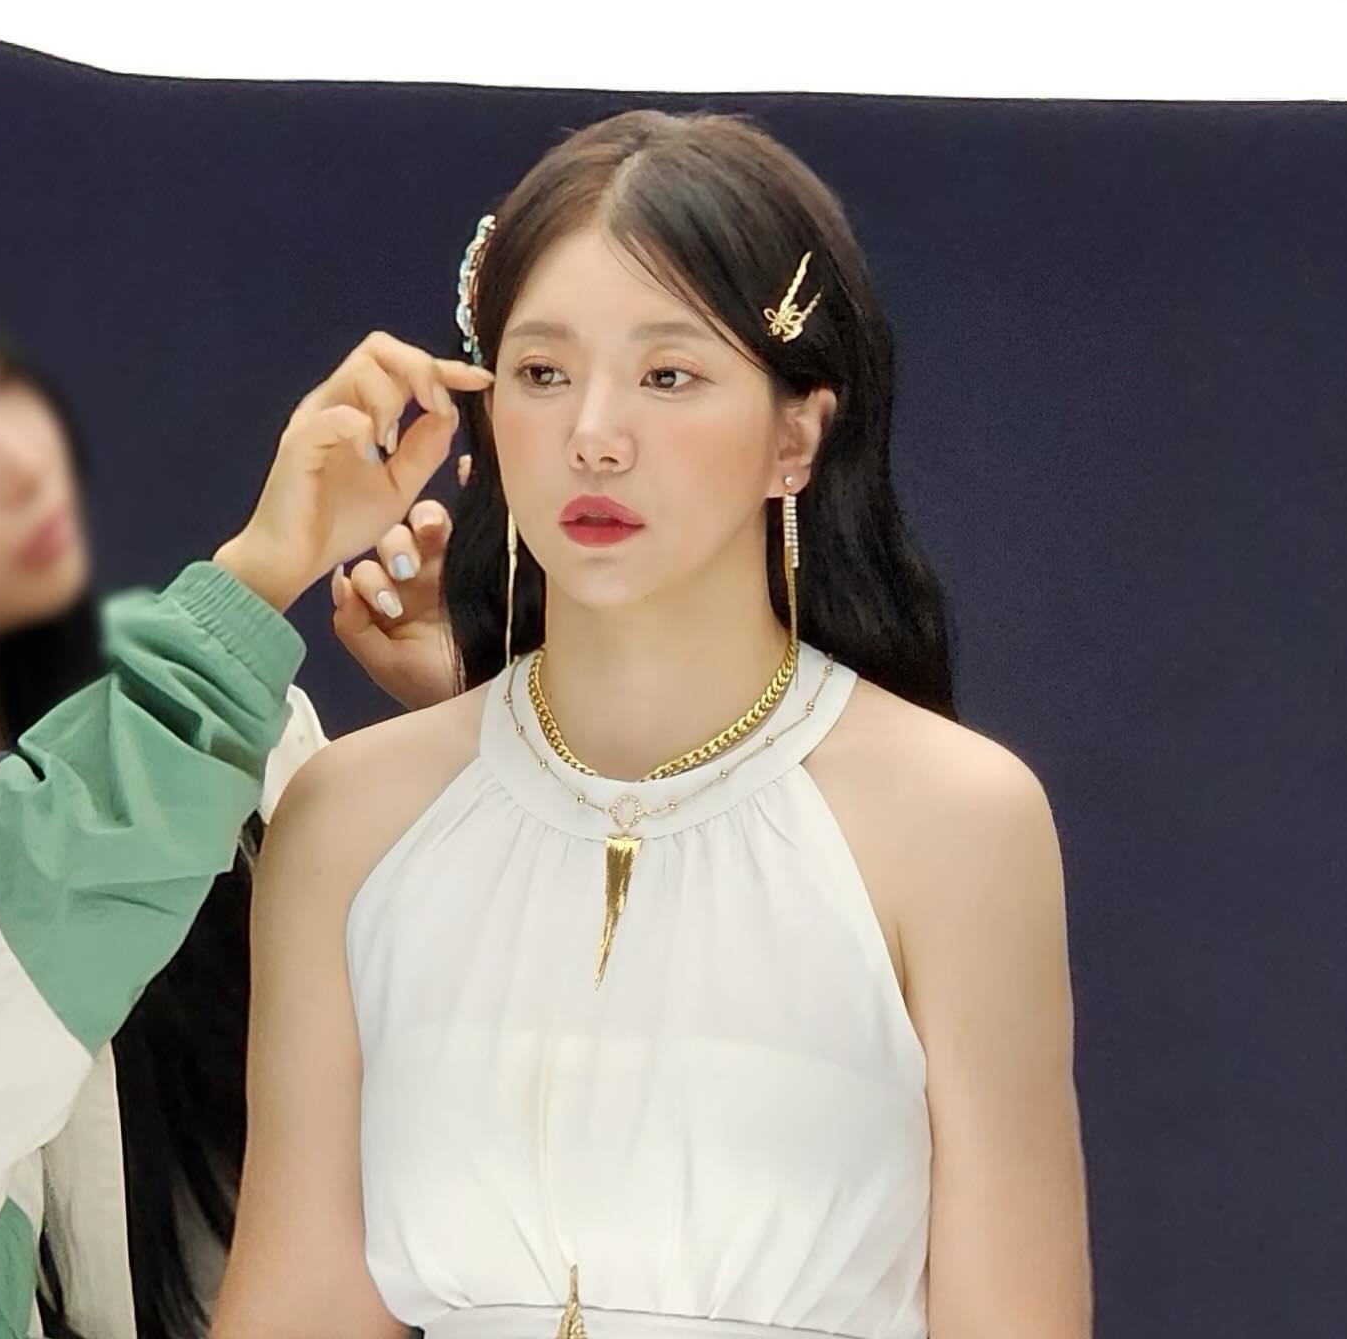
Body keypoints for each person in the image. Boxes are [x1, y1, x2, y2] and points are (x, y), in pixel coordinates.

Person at [214, 109, 1092, 1339]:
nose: (593, 437)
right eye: (542, 374)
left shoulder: (956, 822)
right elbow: (295, 1308)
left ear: (797, 434)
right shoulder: (351, 819)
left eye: (668, 376)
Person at [0, 285, 487, 1339]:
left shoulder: (252, 761)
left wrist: (480, 731)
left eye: (0, 397)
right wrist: (261, 572)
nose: (15, 459)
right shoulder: (154, 773)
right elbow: (36, 877)